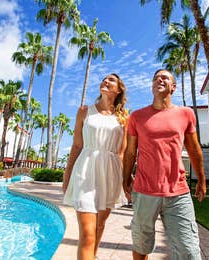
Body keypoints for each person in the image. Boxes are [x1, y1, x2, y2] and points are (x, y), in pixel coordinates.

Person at [123, 69, 206, 260]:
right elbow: (130, 152)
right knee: (141, 246)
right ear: (152, 86)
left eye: (165, 78)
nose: (159, 80)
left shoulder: (186, 114)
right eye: (155, 78)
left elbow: (194, 149)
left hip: (178, 192)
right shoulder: (136, 116)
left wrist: (201, 179)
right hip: (144, 192)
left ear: (173, 87)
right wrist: (125, 178)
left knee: (189, 251)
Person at [63, 73, 128, 260]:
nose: (105, 81)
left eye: (111, 80)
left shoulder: (123, 117)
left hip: (110, 174)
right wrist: (67, 176)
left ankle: (94, 256)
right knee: (87, 233)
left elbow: (122, 153)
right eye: (104, 79)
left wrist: (124, 181)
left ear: (119, 89)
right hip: (85, 171)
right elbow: (77, 145)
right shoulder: (84, 111)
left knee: (99, 226)